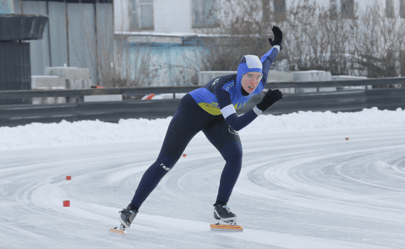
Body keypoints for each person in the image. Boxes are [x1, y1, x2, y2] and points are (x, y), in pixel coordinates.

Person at [118, 26, 284, 230]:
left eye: (257, 77)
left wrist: (277, 44)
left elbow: (267, 60)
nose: (254, 82)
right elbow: (235, 123)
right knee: (165, 163)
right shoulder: (224, 88)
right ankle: (131, 208)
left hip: (216, 117)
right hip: (191, 113)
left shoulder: (259, 81)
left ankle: (220, 206)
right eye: (249, 76)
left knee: (235, 155)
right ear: (240, 74)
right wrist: (261, 106)